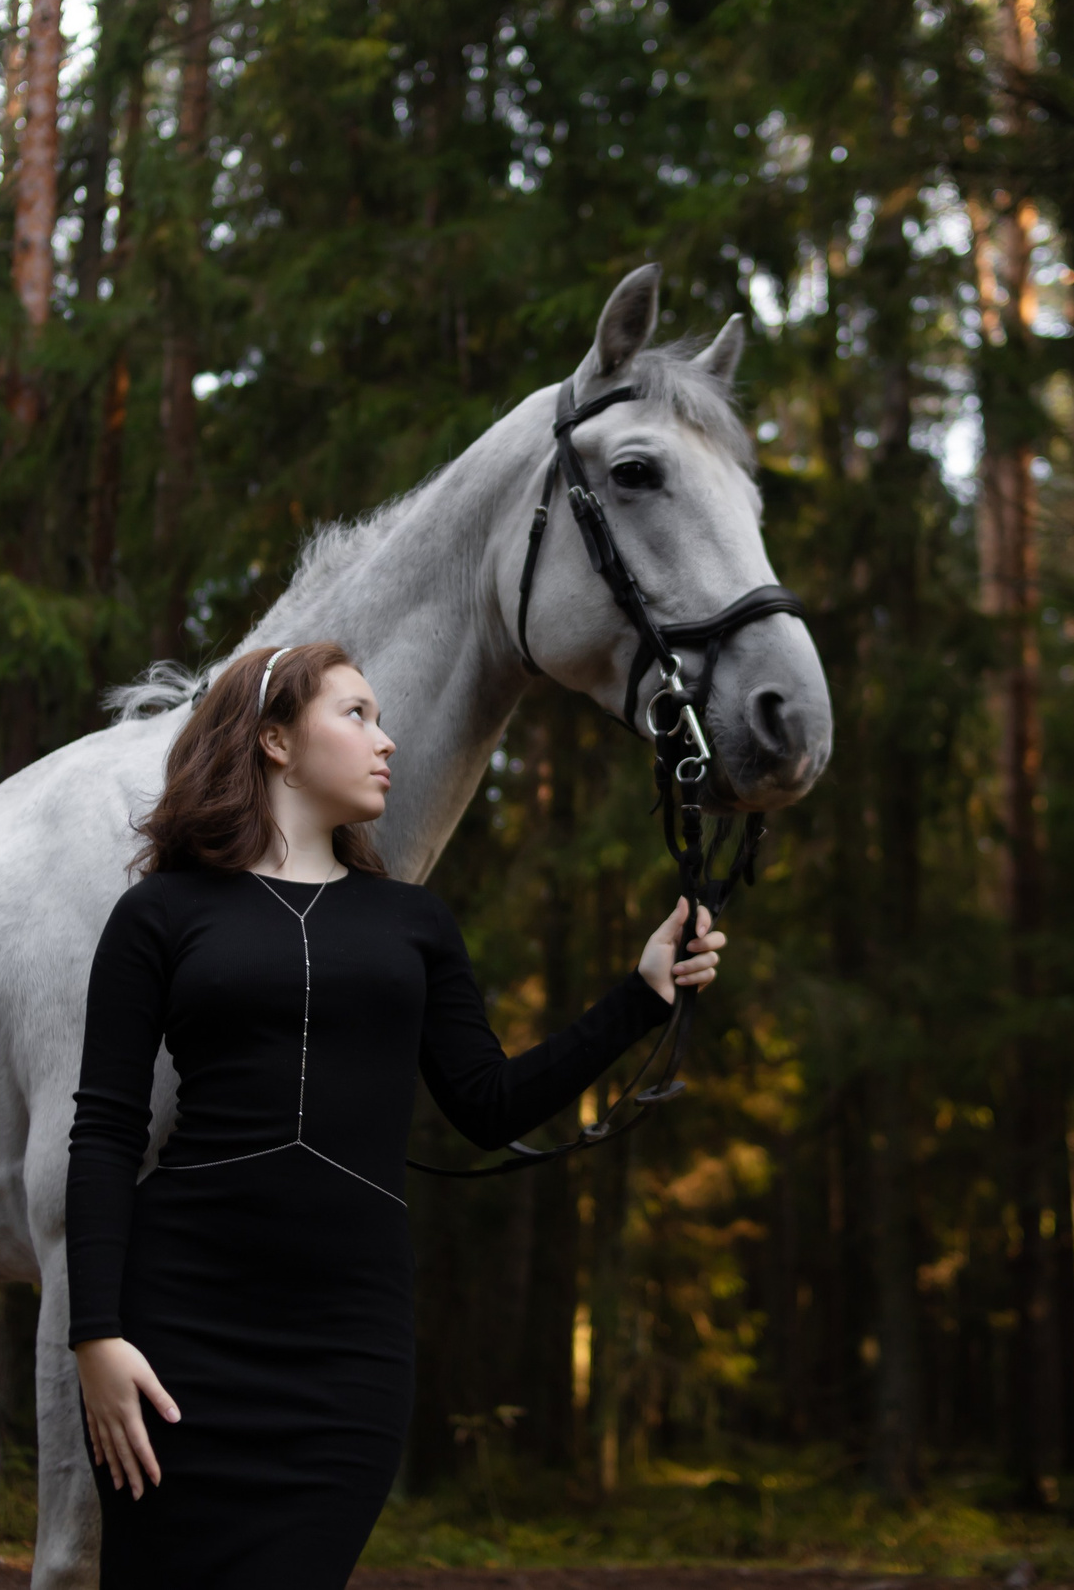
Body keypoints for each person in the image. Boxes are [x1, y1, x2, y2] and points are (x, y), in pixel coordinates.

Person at [64, 639, 728, 1588]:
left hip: (347, 1351)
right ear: (275, 740)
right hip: (178, 1335)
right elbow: (104, 1131)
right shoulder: (159, 913)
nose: (387, 740)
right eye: (357, 715)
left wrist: (641, 995)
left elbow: (489, 1105)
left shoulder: (414, 923)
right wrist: (96, 1335)